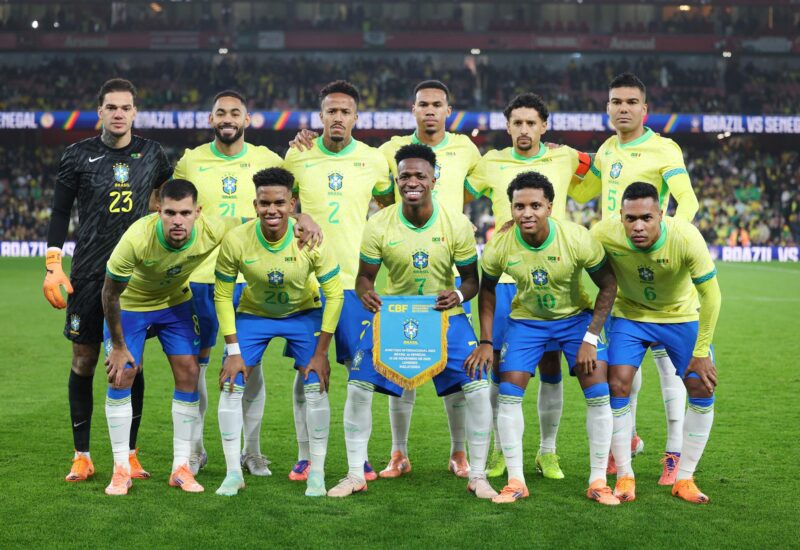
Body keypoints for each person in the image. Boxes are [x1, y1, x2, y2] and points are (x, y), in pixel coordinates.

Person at [289, 79, 482, 479]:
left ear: (448, 108)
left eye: (437, 104)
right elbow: (277, 199)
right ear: (412, 108)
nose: (430, 110)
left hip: (439, 278)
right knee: (339, 370)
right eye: (423, 104)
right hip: (353, 285)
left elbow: (495, 178)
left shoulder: (466, 148)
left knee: (454, 376)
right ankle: (385, 453)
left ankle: (461, 454)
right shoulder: (382, 154)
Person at [326, 144, 494, 499]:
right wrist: (366, 292)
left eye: (420, 175)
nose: (412, 182)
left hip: (443, 314)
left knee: (477, 384)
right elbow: (364, 278)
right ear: (396, 179)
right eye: (404, 176)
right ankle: (356, 473)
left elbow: (471, 280)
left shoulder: (457, 224)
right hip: (394, 313)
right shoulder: (379, 223)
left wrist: (460, 296)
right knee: (358, 385)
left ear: (435, 179)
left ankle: (477, 474)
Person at [173, 89, 319, 477]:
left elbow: (294, 204)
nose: (227, 117)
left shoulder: (267, 159)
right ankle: (197, 450)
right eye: (220, 111)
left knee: (249, 369)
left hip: (253, 277)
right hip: (203, 278)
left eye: (234, 112)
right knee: (199, 368)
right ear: (210, 119)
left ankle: (251, 452)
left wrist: (304, 218)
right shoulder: (190, 162)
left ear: (247, 119)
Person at [44, 78, 172, 483]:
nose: (118, 114)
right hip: (87, 272)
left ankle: (130, 454)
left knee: (131, 362)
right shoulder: (77, 155)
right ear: (99, 111)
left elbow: (168, 202)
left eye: (126, 107)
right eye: (111, 107)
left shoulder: (153, 154)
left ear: (135, 112)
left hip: (138, 275)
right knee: (83, 360)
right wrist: (53, 263)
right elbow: (60, 212)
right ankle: (82, 455)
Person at [465, 171, 619, 505]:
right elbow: (487, 290)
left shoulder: (577, 238)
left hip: (575, 319)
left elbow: (608, 284)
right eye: (519, 206)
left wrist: (591, 337)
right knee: (508, 392)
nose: (527, 213)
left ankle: (598, 481)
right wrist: (487, 341)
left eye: (535, 205)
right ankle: (516, 480)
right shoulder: (500, 245)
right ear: (511, 209)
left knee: (598, 390)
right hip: (527, 322)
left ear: (550, 206)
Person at [465, 92, 595, 480]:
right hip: (506, 278)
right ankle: (500, 451)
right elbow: (456, 191)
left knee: (552, 366)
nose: (524, 130)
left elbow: (602, 173)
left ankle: (547, 452)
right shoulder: (490, 163)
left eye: (531, 123)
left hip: (556, 277)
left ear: (544, 126)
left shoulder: (565, 156)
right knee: (500, 369)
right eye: (516, 123)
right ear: (508, 127)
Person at [581, 72, 700, 483]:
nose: (623, 108)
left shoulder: (663, 148)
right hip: (618, 275)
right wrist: (564, 161)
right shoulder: (605, 150)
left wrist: (672, 241)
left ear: (644, 109)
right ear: (607, 108)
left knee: (672, 374)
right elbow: (582, 194)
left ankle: (674, 454)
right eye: (616, 101)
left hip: (659, 277)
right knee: (622, 372)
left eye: (631, 102)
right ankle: (626, 440)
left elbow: (688, 200)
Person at [283, 80, 393, 482]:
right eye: (331, 111)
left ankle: (358, 457)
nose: (338, 118)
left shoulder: (374, 160)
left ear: (356, 118)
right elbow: (275, 207)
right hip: (306, 283)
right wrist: (299, 217)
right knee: (306, 371)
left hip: (353, 283)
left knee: (357, 373)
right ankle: (306, 454)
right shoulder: (298, 156)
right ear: (320, 116)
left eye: (346, 112)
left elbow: (389, 209)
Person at [101, 179, 240, 495]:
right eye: (170, 213)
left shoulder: (212, 228)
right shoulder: (137, 239)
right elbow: (109, 294)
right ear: (158, 210)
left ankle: (181, 467)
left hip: (174, 303)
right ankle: (121, 469)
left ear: (197, 212)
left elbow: (252, 224)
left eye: (185, 213)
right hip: (130, 305)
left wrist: (300, 218)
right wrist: (119, 347)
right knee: (122, 375)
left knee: (190, 372)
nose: (178, 220)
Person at [214, 167, 343, 497]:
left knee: (316, 384)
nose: (272, 210)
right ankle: (232, 473)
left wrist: (321, 353)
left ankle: (316, 473)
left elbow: (335, 294)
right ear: (254, 204)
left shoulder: (310, 239)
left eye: (279, 203)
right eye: (264, 203)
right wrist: (232, 352)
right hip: (254, 314)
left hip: (302, 313)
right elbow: (223, 294)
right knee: (231, 382)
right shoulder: (237, 240)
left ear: (292, 204)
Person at [590, 182, 721, 504]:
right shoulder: (604, 233)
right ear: (619, 216)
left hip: (680, 316)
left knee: (702, 386)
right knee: (617, 385)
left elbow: (712, 296)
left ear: (661, 215)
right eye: (630, 218)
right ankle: (624, 475)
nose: (638, 226)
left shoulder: (685, 237)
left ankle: (685, 478)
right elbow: (571, 248)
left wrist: (702, 353)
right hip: (630, 316)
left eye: (647, 217)